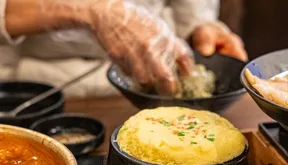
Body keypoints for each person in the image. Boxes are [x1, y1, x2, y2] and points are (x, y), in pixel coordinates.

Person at [0, 0, 247, 97]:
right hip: (29, 93)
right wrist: (91, 10)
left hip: (151, 86)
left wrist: (197, 27)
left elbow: (190, 8)